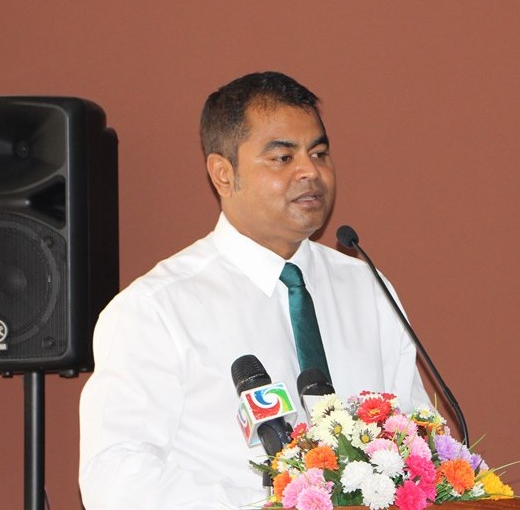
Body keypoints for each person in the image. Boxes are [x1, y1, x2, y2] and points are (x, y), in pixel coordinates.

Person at [78, 71, 430, 510]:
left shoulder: (368, 290)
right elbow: (115, 479)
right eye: (283, 157)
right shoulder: (156, 309)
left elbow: (421, 444)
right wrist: (267, 504)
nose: (311, 171)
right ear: (223, 174)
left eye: (319, 153)